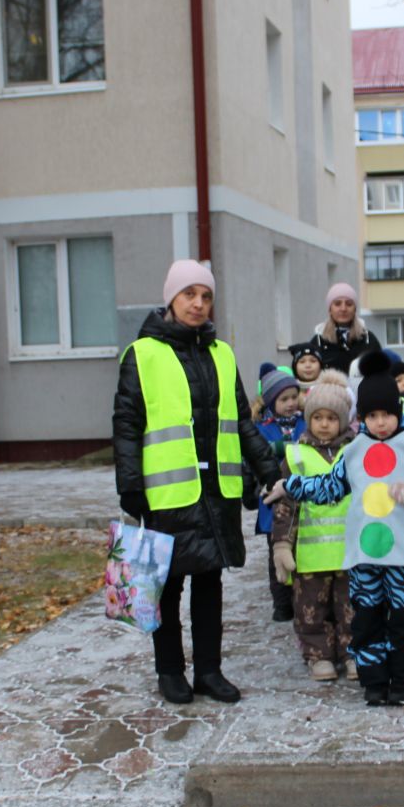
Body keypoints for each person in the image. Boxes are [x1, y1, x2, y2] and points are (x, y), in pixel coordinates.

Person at [113, 260, 283, 705]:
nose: (199, 303)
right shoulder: (142, 355)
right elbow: (127, 425)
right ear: (171, 297)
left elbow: (242, 423)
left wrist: (269, 471)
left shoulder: (222, 354)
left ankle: (209, 670)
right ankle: (170, 670)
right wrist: (129, 486)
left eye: (206, 296)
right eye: (189, 294)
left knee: (210, 584)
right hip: (167, 491)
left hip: (218, 492)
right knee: (166, 586)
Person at [267, 351, 404, 706]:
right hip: (365, 557)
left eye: (387, 414)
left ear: (397, 413)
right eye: (372, 415)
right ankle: (374, 679)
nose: (380, 422)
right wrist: (290, 486)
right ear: (362, 417)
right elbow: (328, 487)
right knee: (366, 619)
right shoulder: (353, 451)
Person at [270, 381, 356, 682]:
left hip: (352, 553)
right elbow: (285, 504)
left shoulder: (355, 452)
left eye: (331, 418)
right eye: (317, 417)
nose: (324, 424)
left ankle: (353, 654)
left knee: (352, 607)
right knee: (311, 610)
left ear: (343, 421)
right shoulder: (296, 456)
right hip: (310, 554)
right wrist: (281, 544)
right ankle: (318, 655)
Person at [255, 368, 305, 622]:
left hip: (302, 501)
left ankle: (302, 600)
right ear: (272, 401)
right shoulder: (262, 427)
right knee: (277, 552)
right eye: (283, 399)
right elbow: (257, 455)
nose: (290, 404)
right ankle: (282, 603)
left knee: (301, 553)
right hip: (273, 502)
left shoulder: (305, 422)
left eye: (293, 397)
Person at [302, 282, 377, 375]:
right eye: (337, 304)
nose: (343, 308)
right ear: (330, 309)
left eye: (349, 304)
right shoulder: (318, 341)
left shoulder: (368, 339)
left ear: (355, 309)